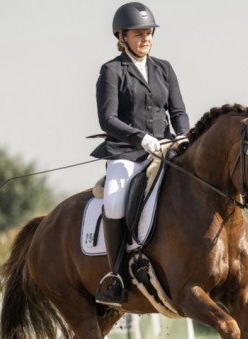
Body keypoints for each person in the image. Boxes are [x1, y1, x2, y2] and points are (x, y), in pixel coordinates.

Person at [91, 2, 190, 307]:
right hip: (126, 153)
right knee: (115, 198)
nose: (146, 38)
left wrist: (184, 136)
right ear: (122, 37)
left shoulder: (165, 68)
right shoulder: (111, 71)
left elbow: (178, 110)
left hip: (165, 149)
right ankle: (118, 277)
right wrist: (141, 137)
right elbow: (107, 119)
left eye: (149, 33)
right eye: (139, 33)